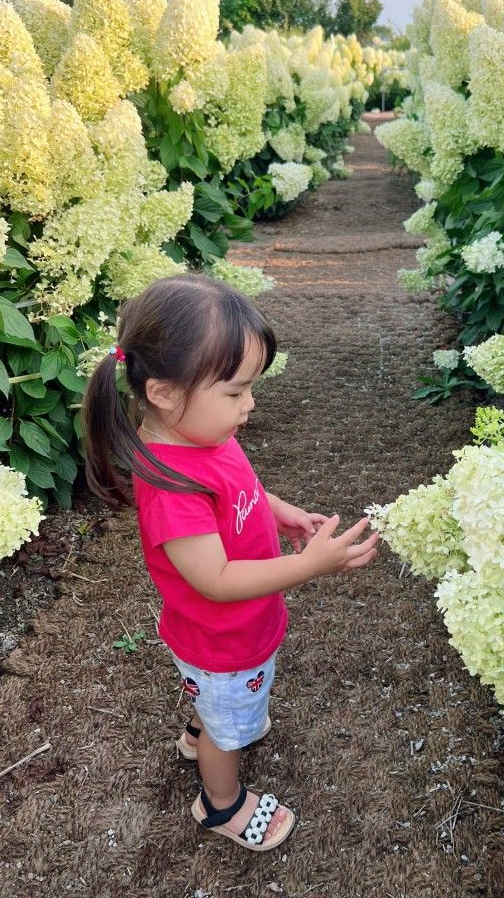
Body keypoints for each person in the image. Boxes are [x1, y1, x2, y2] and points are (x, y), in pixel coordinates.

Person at [82, 272, 378, 851]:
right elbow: (214, 581)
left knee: (220, 708)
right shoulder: (171, 484)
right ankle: (221, 802)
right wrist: (310, 566)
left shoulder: (206, 436)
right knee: (231, 730)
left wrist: (283, 514)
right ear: (165, 392)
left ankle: (201, 727)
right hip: (223, 643)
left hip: (226, 638)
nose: (250, 405)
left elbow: (243, 491)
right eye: (236, 391)